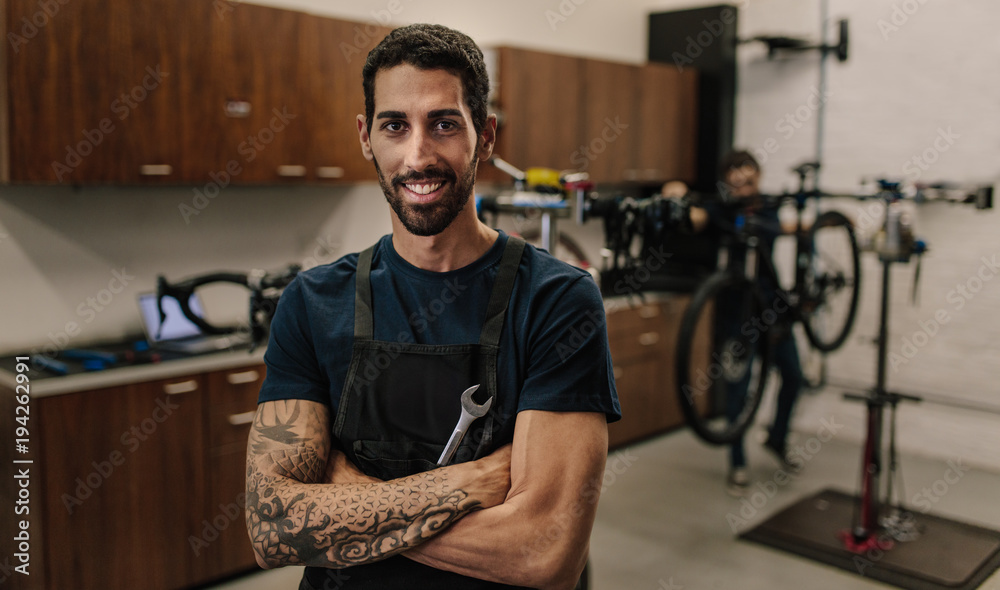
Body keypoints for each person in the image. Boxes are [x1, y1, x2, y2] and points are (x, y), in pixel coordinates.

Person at [244, 23, 621, 590]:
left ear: (486, 136)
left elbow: (545, 553)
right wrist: (471, 484)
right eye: (394, 125)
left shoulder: (557, 301)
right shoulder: (313, 302)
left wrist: (348, 496)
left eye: (444, 124)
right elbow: (272, 526)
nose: (417, 155)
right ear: (367, 137)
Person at [677, 150, 805, 496]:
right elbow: (697, 217)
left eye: (747, 176)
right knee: (738, 390)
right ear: (726, 179)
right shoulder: (719, 209)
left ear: (758, 177)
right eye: (733, 174)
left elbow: (786, 227)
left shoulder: (768, 206)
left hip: (772, 308)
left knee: (793, 377)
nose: (741, 181)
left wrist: (829, 222)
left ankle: (777, 439)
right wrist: (678, 198)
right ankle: (737, 463)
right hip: (736, 313)